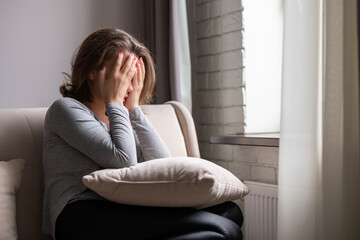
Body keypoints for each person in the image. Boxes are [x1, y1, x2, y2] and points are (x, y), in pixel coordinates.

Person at [42, 28, 243, 240]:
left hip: (125, 208)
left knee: (230, 212)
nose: (128, 85)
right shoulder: (65, 109)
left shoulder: (124, 119)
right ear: (93, 70)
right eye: (123, 73)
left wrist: (134, 110)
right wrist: (115, 102)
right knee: (224, 230)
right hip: (79, 215)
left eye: (133, 77)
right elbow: (123, 161)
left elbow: (166, 167)